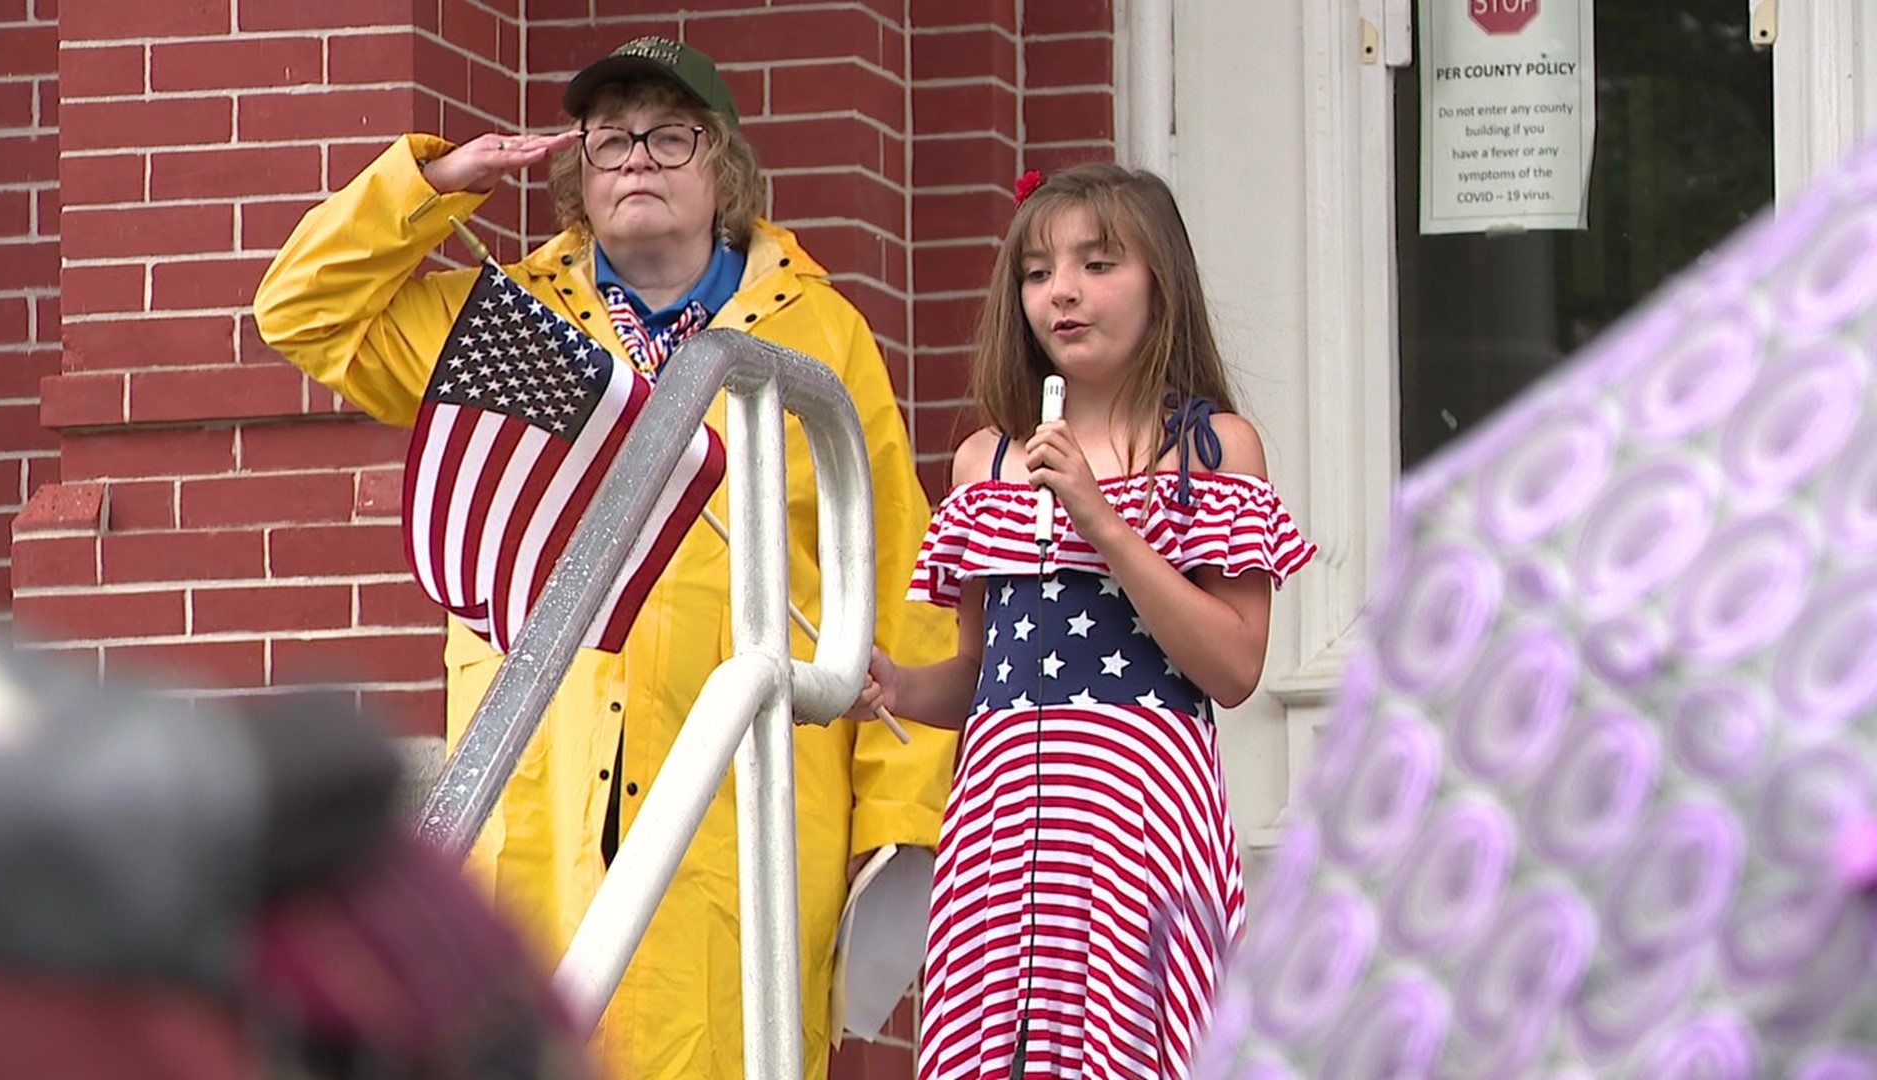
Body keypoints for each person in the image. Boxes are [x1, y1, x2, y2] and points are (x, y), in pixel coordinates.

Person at [252, 35, 959, 1080]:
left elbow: (895, 579)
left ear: (724, 169)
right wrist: (437, 183)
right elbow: (302, 310)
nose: (636, 159)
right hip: (543, 788)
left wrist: (895, 837)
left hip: (740, 805)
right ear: (576, 172)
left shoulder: (825, 333)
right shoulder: (512, 326)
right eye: (610, 138)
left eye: (669, 137)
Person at [849, 164, 1316, 1079]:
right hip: (1002, 828)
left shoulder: (1212, 447)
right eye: (1035, 272)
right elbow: (979, 671)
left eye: (1098, 263)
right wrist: (898, 686)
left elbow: (1233, 665)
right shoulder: (987, 457)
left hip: (1136, 820)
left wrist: (1103, 522)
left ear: (1161, 284)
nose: (1060, 291)